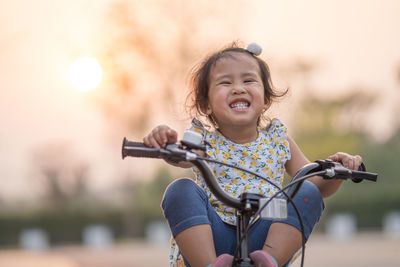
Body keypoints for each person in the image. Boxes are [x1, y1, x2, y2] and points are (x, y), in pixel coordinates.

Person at [143, 42, 362, 267]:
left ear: (265, 100)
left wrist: (336, 170)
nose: (238, 88)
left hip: (265, 238)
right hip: (212, 239)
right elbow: (183, 155)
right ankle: (209, 265)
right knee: (180, 189)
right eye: (225, 82)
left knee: (308, 192)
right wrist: (166, 143)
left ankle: (269, 261)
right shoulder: (203, 140)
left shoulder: (278, 140)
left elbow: (313, 182)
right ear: (206, 104)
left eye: (248, 81)